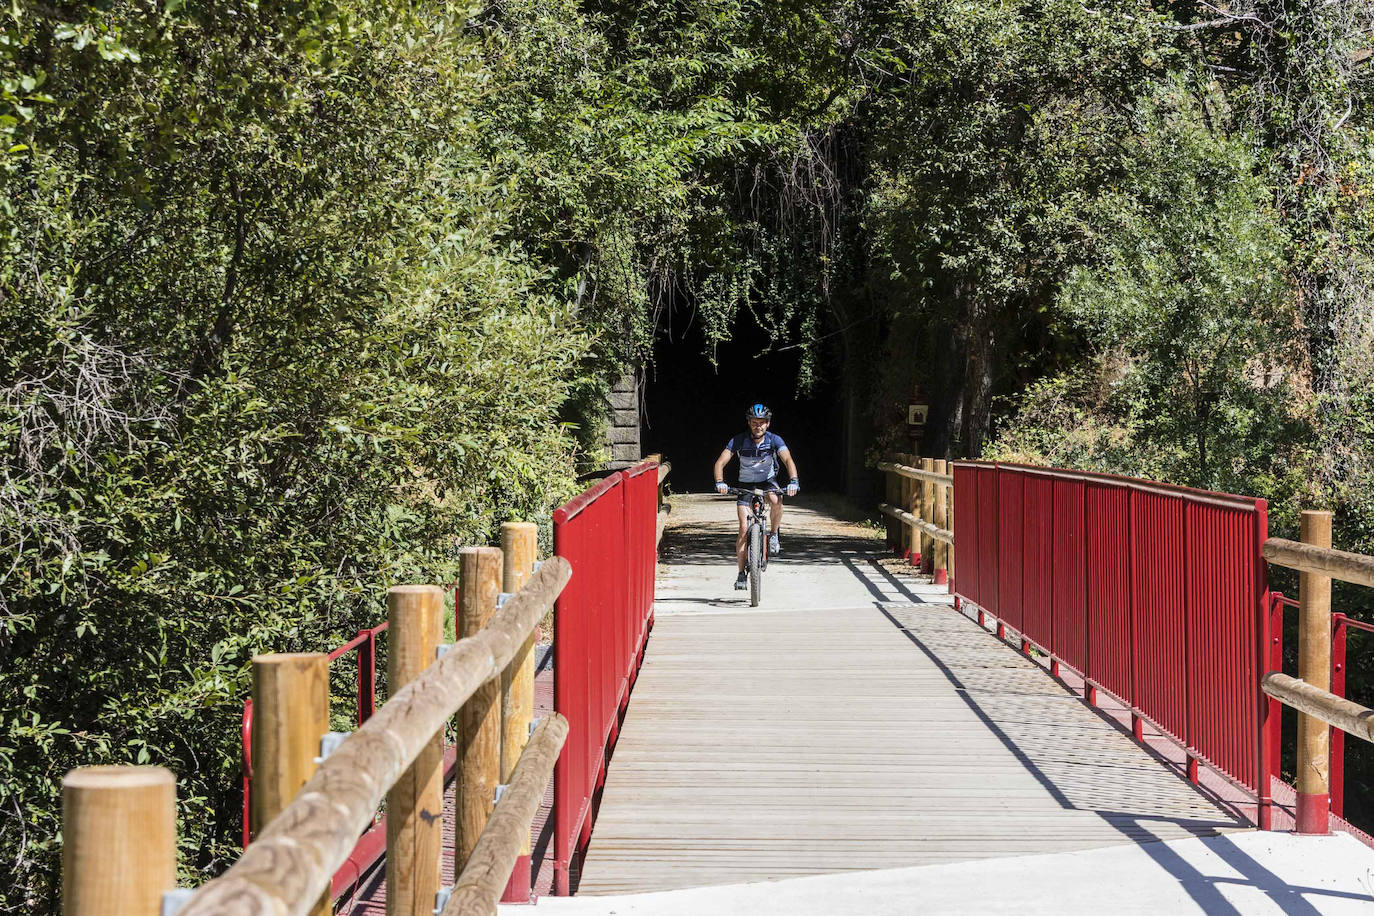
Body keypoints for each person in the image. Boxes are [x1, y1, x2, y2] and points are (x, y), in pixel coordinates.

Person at [713, 404, 800, 590]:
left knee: (776, 499)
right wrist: (720, 482)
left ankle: (774, 534)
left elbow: (788, 459)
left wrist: (793, 481)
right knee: (744, 528)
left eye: (761, 423)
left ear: (767, 424)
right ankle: (741, 573)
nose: (757, 426)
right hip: (745, 484)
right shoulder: (738, 440)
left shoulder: (774, 440)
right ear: (749, 423)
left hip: (767, 480)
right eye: (754, 422)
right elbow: (720, 462)